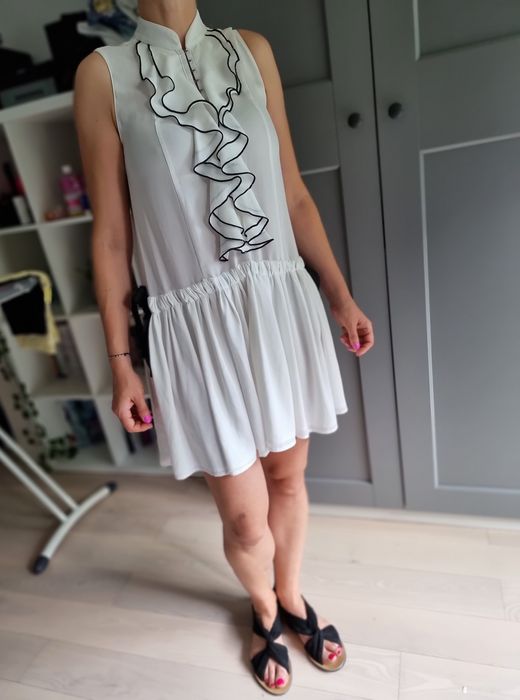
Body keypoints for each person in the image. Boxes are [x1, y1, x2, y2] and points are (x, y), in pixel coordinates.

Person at [74, 0, 374, 693]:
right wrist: (122, 363)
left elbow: (294, 195)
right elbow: (111, 236)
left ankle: (291, 595)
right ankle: (263, 610)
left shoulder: (252, 51)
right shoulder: (102, 74)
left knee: (289, 480)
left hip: (278, 308)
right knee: (242, 519)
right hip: (193, 328)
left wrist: (339, 295)